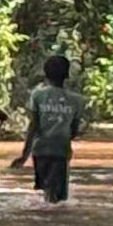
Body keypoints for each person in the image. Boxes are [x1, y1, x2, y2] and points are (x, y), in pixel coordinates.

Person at [19, 51, 91, 203]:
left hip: (40, 150)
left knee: (46, 190)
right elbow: (74, 130)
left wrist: (24, 154)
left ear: (45, 74)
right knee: (58, 198)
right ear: (67, 75)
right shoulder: (76, 100)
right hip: (61, 149)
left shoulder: (37, 95)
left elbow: (34, 126)